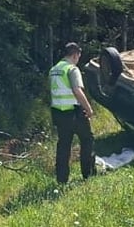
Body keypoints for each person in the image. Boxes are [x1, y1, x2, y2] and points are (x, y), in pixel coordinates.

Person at [49, 42, 95, 184]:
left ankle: (61, 180)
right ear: (75, 55)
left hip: (58, 113)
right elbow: (77, 90)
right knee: (87, 140)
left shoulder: (54, 70)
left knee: (63, 146)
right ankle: (88, 174)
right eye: (78, 57)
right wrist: (88, 109)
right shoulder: (72, 69)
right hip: (74, 113)